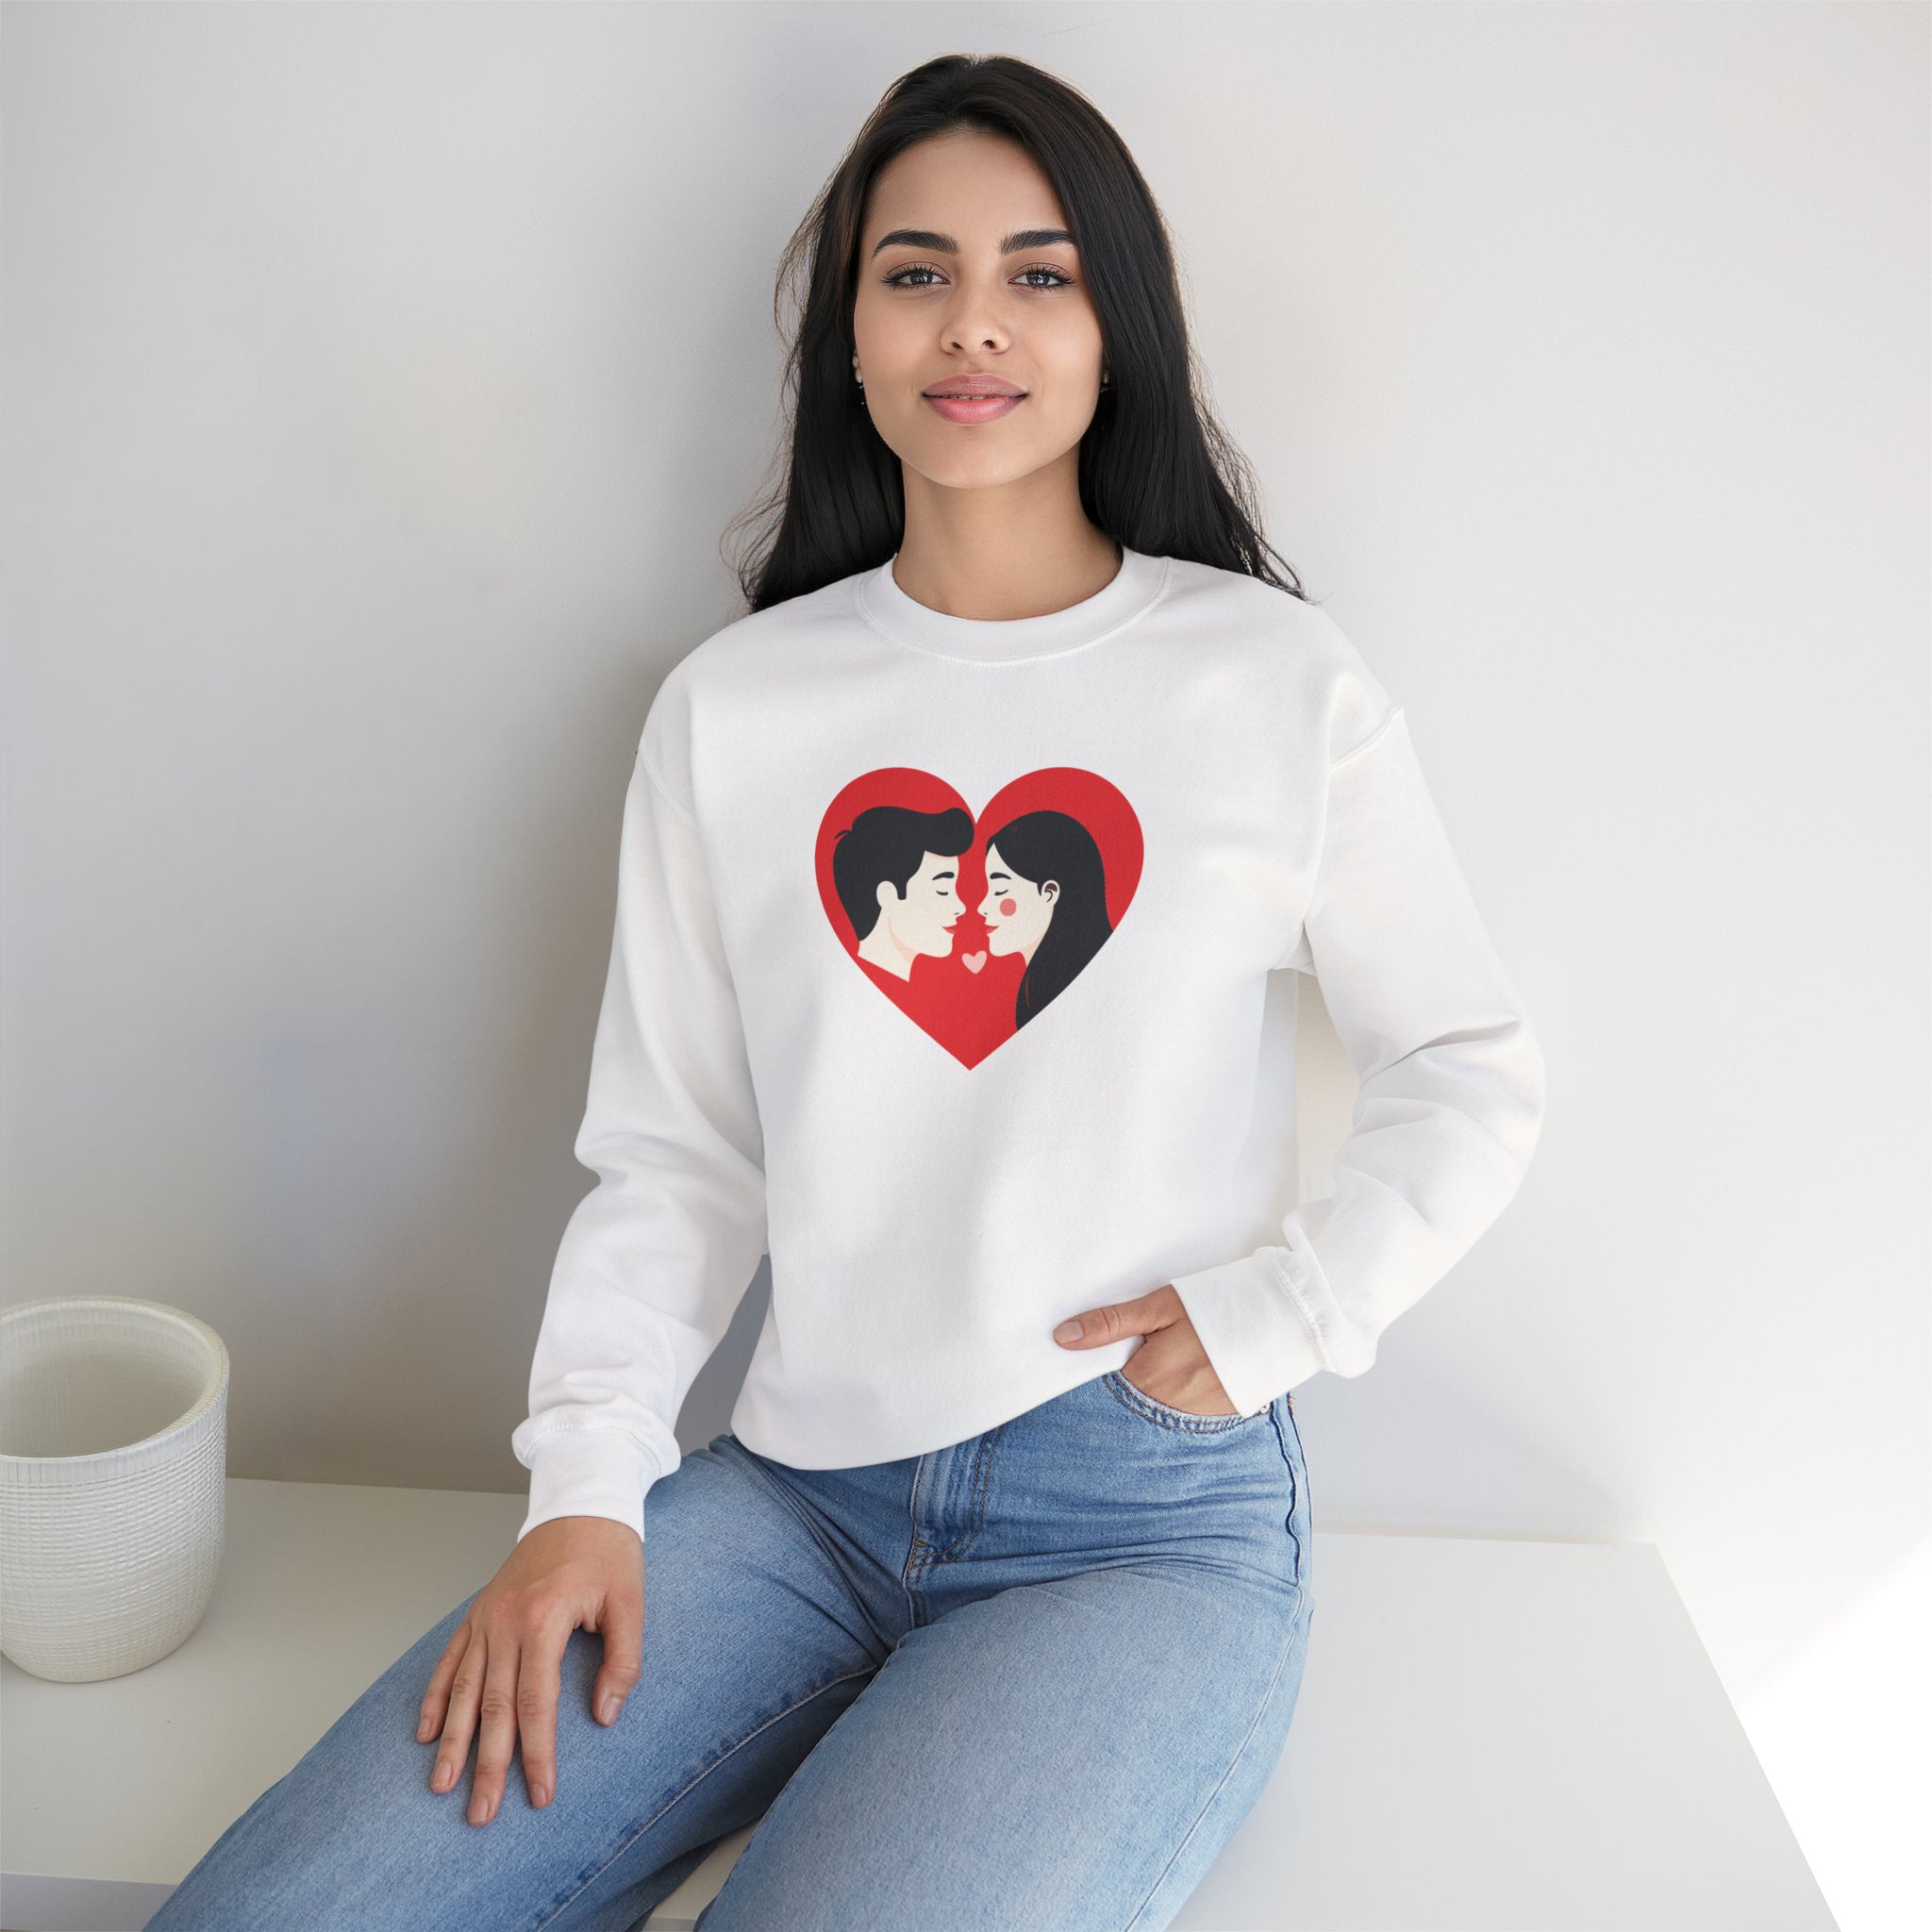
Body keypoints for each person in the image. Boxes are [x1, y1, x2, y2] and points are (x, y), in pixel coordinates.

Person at [146, 51, 1546, 1932]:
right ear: (850, 338)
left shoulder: (1271, 686)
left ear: (1115, 325)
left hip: (1137, 1527)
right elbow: (676, 1158)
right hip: (793, 1496)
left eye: (1039, 272)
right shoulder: (741, 711)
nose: (974, 320)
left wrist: (1288, 1304)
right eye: (914, 271)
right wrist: (585, 1486)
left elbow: (1467, 1064)